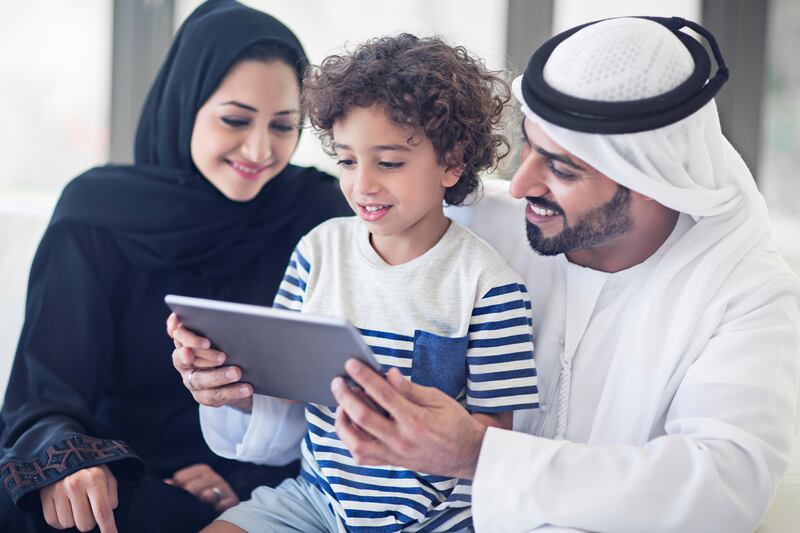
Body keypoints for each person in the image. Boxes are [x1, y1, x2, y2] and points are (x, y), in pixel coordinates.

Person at [177, 16, 800, 533]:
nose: (520, 184)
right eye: (527, 148)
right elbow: (319, 414)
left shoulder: (743, 293)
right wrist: (237, 383)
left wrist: (478, 454)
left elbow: (724, 486)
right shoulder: (471, 221)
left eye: (561, 167)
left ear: (651, 177)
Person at [0, 1, 350, 531]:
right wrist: (78, 465)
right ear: (185, 104)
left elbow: (333, 390)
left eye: (284, 126)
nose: (260, 149)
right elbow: (44, 396)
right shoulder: (96, 212)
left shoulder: (317, 213)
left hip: (261, 490)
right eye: (235, 119)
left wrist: (233, 483)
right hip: (119, 478)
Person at [169, 34, 538, 532]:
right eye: (346, 160)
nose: (362, 184)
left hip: (439, 520)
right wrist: (230, 383)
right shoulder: (318, 252)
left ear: (451, 163)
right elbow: (285, 386)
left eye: (388, 163)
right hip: (316, 501)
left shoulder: (490, 288)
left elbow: (495, 442)